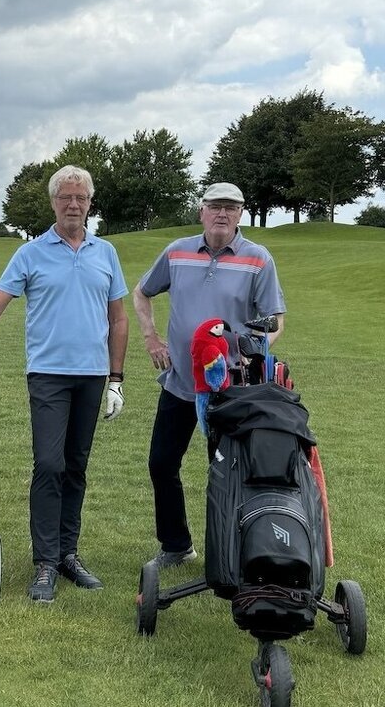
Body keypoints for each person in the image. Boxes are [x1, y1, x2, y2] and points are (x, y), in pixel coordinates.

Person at [0, 165, 128, 604]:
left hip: (92, 374)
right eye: (65, 197)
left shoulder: (105, 252)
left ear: (90, 203)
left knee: (76, 466)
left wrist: (116, 378)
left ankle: (67, 554)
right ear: (53, 203)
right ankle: (45, 561)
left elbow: (118, 319)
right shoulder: (31, 253)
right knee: (49, 463)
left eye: (81, 197)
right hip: (48, 374)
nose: (73, 205)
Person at [133, 182, 286, 569]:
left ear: (240, 214)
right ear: (201, 211)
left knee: (229, 471)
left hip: (231, 389)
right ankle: (176, 545)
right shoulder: (177, 251)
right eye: (215, 206)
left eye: (230, 208)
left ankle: (233, 548)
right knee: (161, 464)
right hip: (181, 384)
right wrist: (151, 337)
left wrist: (251, 348)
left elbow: (275, 321)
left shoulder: (258, 259)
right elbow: (142, 292)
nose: (222, 213)